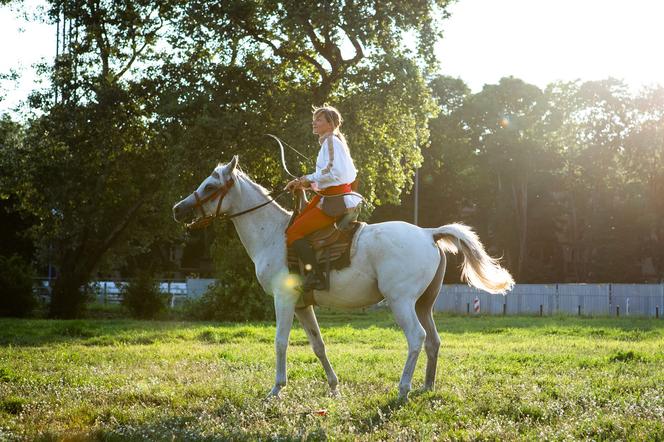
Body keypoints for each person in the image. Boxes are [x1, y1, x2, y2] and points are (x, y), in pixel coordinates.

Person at [284, 105, 361, 291]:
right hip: (329, 196)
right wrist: (305, 183)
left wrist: (305, 179)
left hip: (334, 201)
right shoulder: (330, 142)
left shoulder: (331, 142)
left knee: (293, 233)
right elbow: (328, 176)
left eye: (318, 119)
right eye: (314, 119)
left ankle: (315, 276)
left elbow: (330, 171)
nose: (314, 122)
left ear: (330, 123)